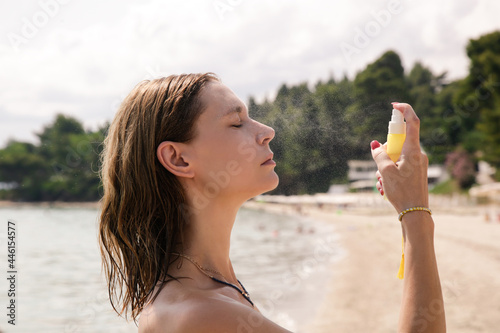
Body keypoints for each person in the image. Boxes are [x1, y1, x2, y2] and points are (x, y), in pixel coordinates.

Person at [99, 73, 446, 332]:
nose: (266, 130)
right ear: (178, 159)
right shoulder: (200, 315)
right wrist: (414, 213)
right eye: (236, 122)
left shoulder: (210, 290)